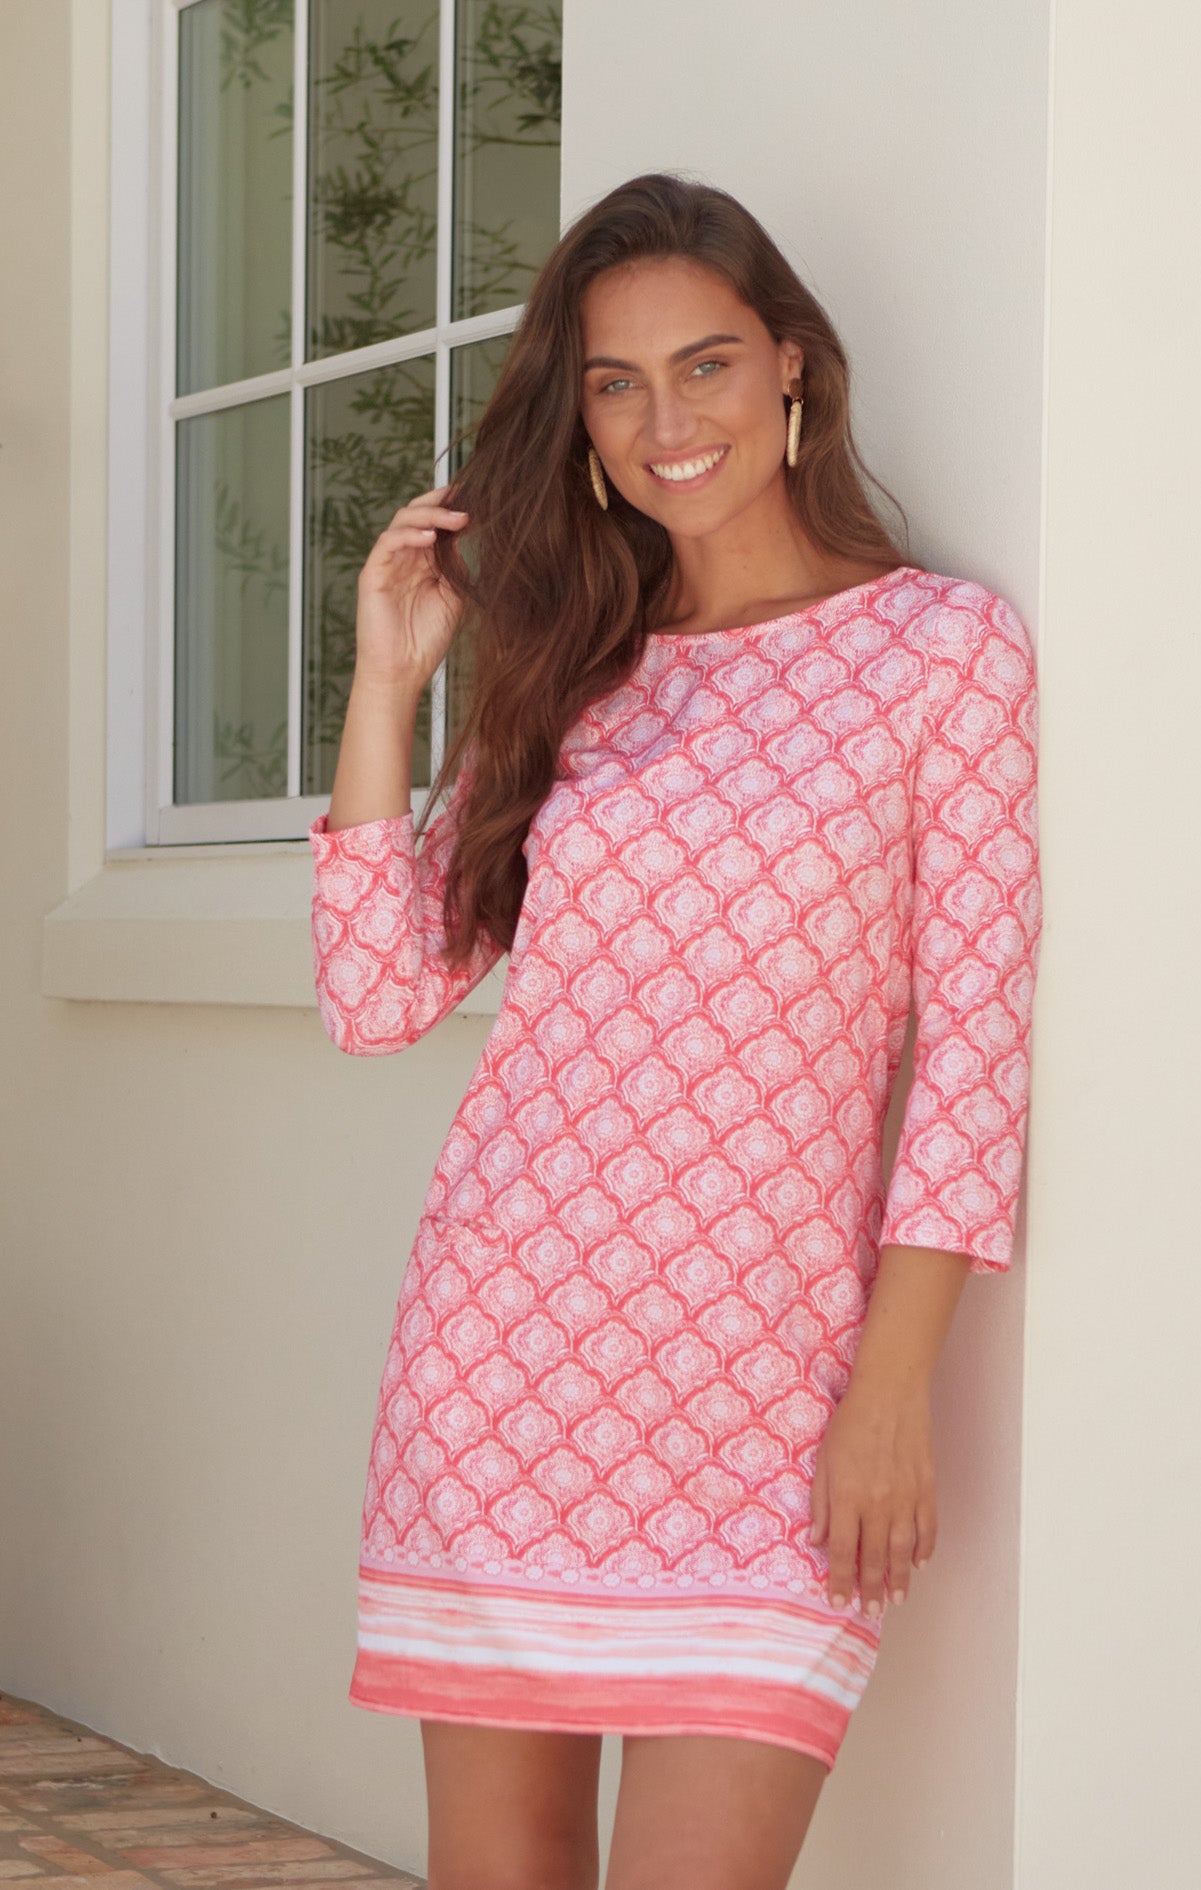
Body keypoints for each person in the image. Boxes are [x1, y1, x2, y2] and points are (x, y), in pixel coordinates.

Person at [309, 170, 1041, 1890]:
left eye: (704, 366)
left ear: (792, 370)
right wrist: (388, 682)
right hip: (501, 1372)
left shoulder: (941, 651)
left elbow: (974, 1059)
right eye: (614, 383)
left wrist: (888, 1390)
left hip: (771, 1397)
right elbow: (376, 996)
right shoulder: (575, 665)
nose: (664, 421)